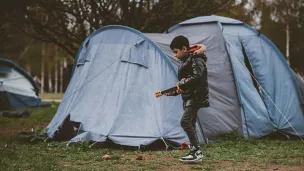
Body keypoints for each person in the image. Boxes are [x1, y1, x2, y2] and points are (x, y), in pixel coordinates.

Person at [165, 35, 209, 163]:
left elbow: (198, 76)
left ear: (184, 48)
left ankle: (197, 152)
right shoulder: (186, 60)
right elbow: (187, 82)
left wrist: (182, 84)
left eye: (175, 52)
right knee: (191, 123)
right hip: (190, 96)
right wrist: (175, 91)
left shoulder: (195, 58)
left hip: (197, 96)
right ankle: (195, 152)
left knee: (185, 121)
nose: (175, 55)